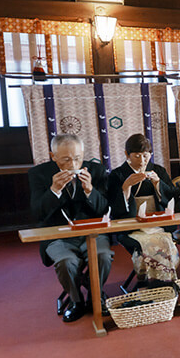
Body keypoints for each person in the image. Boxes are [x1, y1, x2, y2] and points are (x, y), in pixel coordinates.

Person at [27, 133, 112, 323]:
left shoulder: (96, 170)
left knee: (104, 255)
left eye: (77, 158)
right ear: (53, 156)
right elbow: (37, 214)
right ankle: (76, 301)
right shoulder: (38, 174)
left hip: (91, 231)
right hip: (57, 234)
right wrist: (54, 190)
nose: (73, 164)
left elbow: (105, 209)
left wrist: (90, 190)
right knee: (66, 261)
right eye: (66, 159)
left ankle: (95, 296)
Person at [106, 133, 179, 286]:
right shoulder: (117, 174)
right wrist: (125, 187)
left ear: (150, 154)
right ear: (127, 154)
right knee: (145, 243)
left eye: (145, 156)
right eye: (137, 156)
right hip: (132, 225)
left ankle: (164, 281)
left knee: (165, 241)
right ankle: (144, 277)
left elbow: (172, 197)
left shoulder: (158, 170)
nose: (141, 161)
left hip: (157, 222)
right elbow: (112, 206)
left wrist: (158, 184)